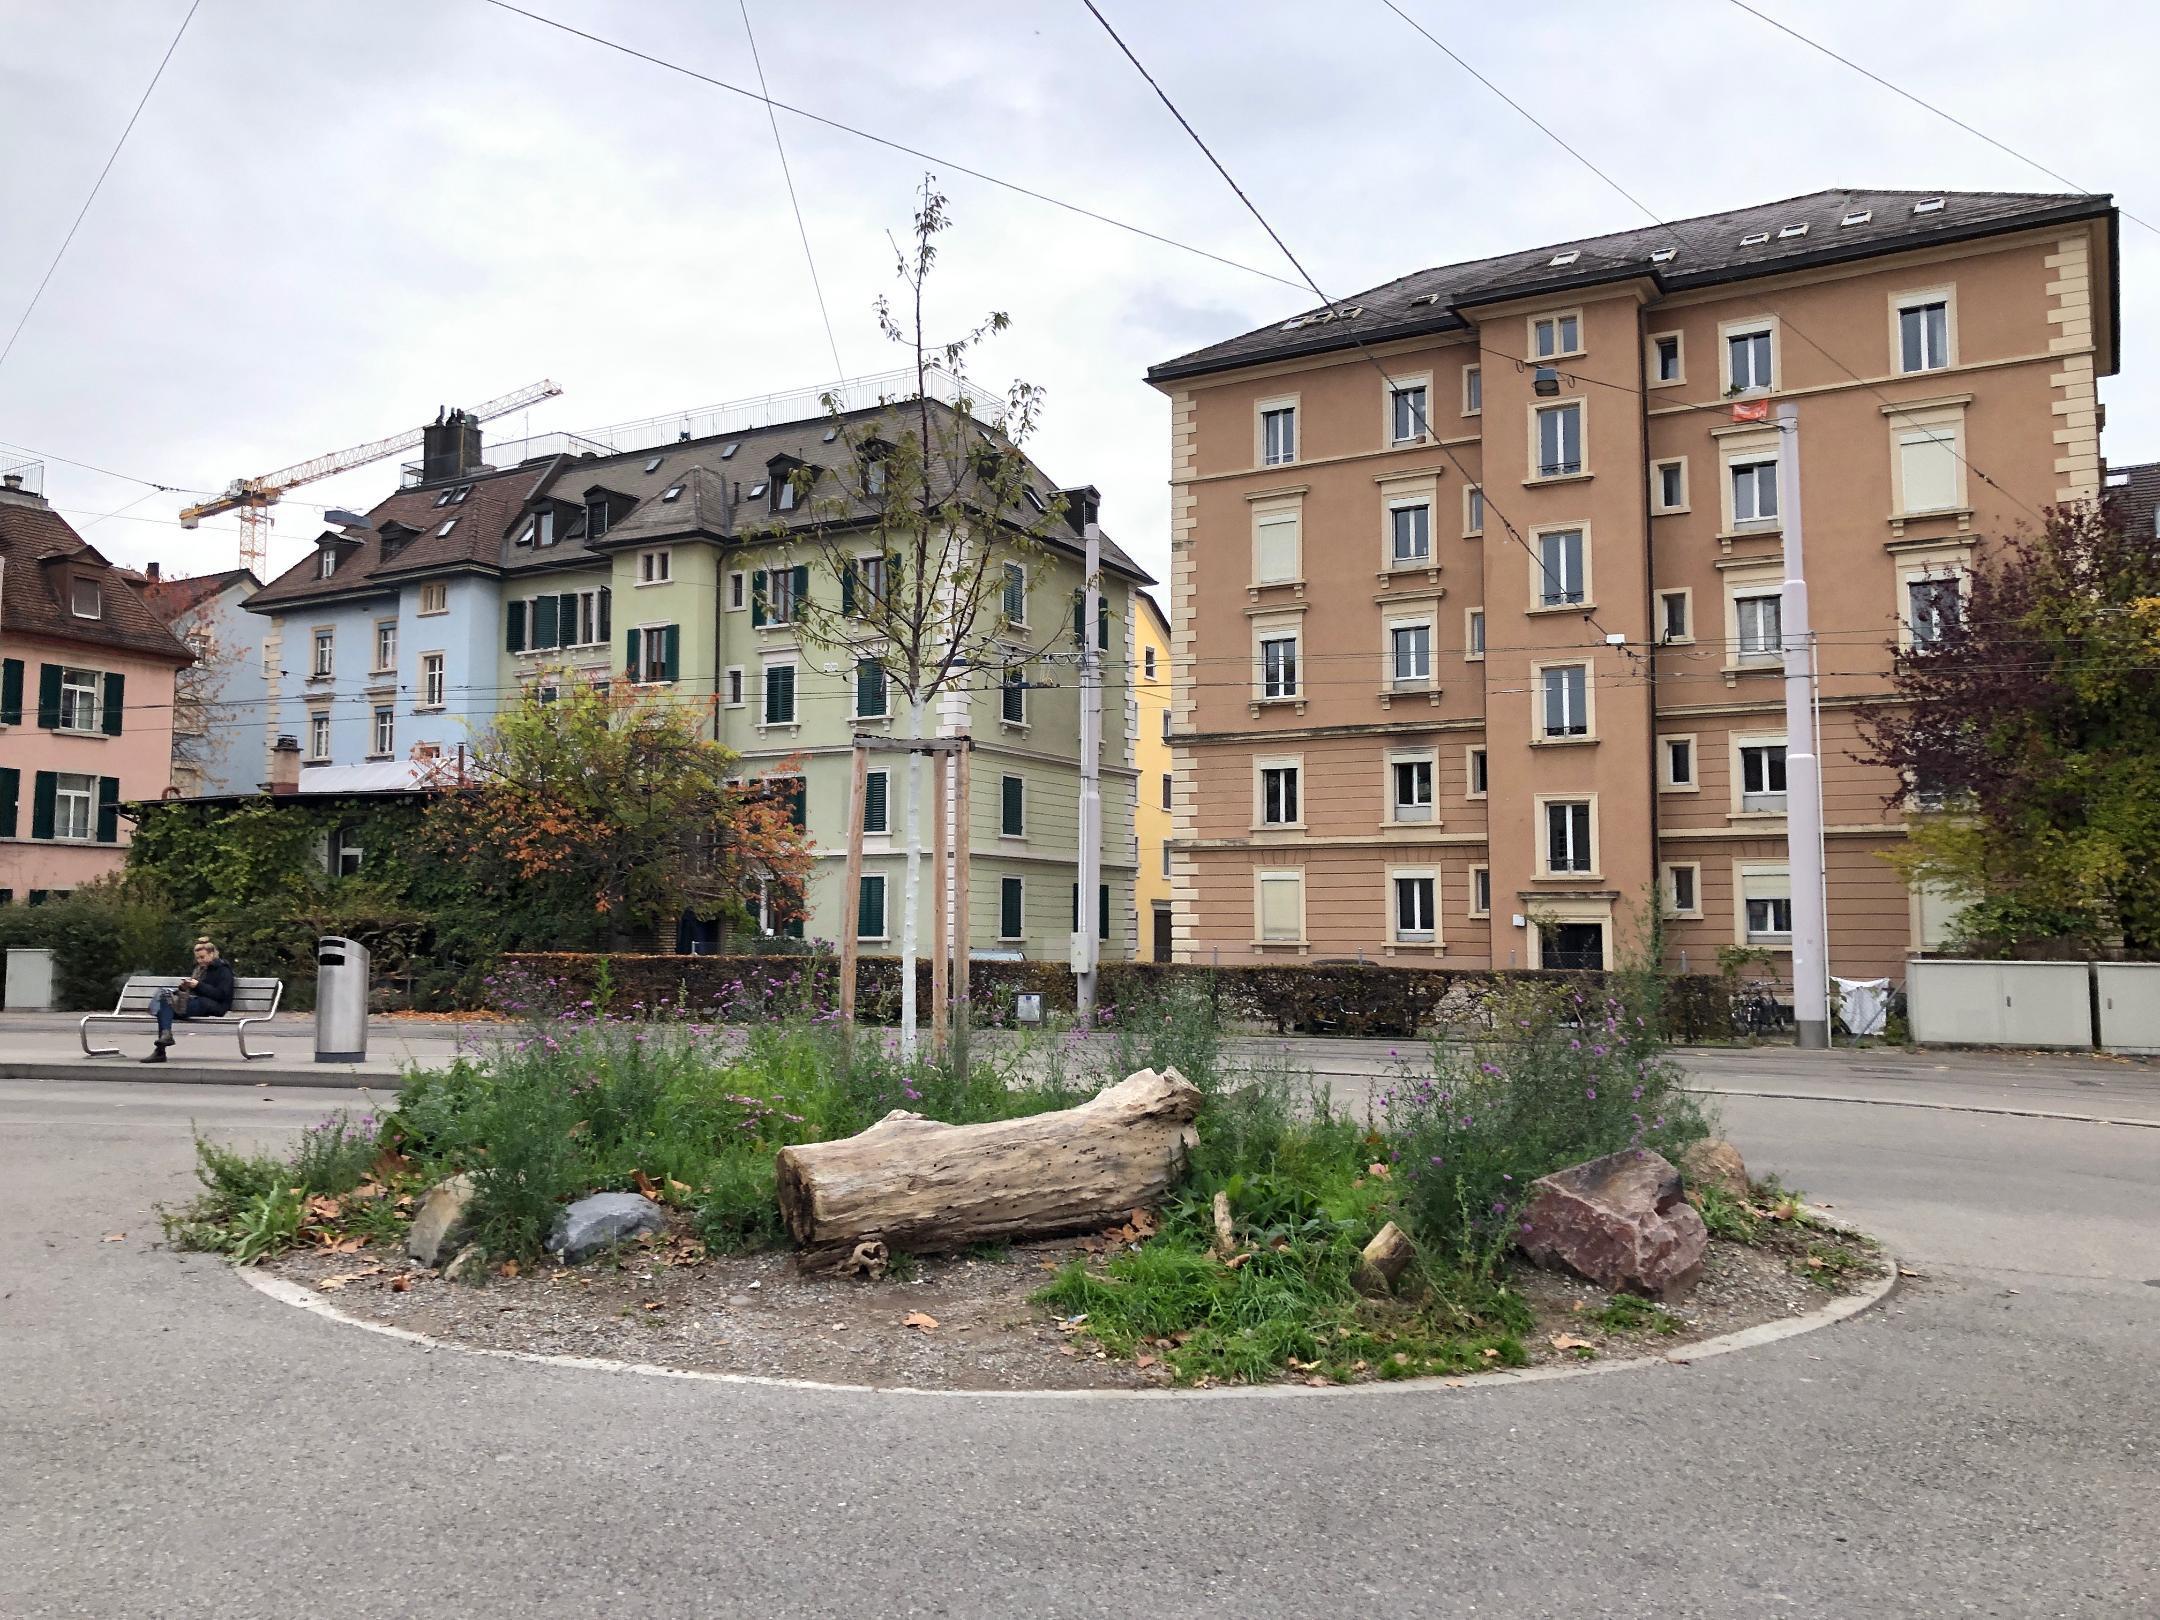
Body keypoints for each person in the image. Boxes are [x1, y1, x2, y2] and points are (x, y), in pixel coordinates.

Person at [141, 938, 235, 1063]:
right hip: (199, 1001)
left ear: (212, 954)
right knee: (165, 1001)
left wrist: (198, 986)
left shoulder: (223, 969)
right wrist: (184, 988)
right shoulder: (199, 969)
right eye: (197, 958)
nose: (199, 961)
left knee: (164, 1007)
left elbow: (222, 995)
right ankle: (164, 1041)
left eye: (202, 957)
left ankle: (160, 1050)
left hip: (214, 1005)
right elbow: (194, 991)